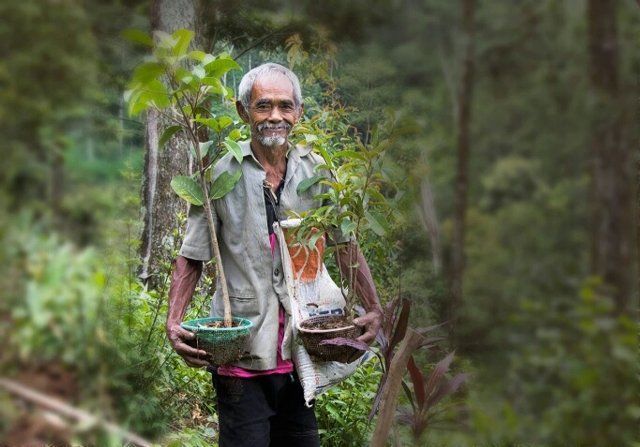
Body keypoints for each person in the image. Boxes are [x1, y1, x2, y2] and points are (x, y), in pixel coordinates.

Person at [166, 62, 383, 447]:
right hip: (242, 352)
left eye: (285, 106)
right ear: (243, 111)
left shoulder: (316, 170)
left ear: (299, 112)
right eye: (263, 105)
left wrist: (374, 307)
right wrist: (173, 322)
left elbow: (345, 244)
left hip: (303, 350)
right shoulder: (219, 173)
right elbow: (192, 255)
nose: (275, 116)